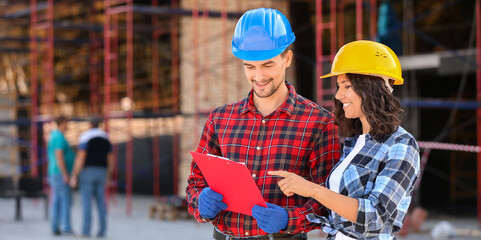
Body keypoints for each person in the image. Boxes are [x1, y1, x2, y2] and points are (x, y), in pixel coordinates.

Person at [186, 7, 340, 240]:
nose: (258, 76)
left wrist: (289, 219)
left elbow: (328, 202)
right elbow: (195, 185)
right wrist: (201, 203)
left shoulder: (319, 123)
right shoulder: (220, 119)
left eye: (267, 65)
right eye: (250, 66)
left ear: (287, 58)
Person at [269, 40, 421, 240]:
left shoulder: (400, 145)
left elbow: (376, 216)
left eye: (347, 86)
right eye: (338, 86)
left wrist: (312, 189)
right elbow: (335, 209)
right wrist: (287, 218)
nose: (339, 95)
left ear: (372, 88)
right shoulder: (353, 142)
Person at [70, 116, 113, 238]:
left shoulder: (85, 137)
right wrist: (109, 175)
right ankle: (102, 231)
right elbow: (110, 159)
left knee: (86, 203)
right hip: (102, 172)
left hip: (88, 172)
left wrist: (75, 174)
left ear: (89, 124)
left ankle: (86, 231)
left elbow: (81, 156)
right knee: (101, 203)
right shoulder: (106, 138)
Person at [47, 116, 75, 236]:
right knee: (65, 200)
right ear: (63, 123)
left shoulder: (55, 136)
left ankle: (56, 226)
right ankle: (66, 227)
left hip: (55, 172)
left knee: (58, 200)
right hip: (59, 173)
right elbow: (59, 155)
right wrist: (65, 173)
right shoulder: (58, 136)